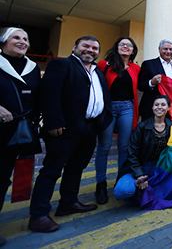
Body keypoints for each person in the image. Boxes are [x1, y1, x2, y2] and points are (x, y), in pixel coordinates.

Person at [28, 36, 113, 233]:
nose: (90, 50)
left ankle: (68, 203)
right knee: (52, 170)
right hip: (64, 128)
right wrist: (54, 121)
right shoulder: (61, 65)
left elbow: (103, 97)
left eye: (95, 48)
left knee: (76, 167)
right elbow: (49, 95)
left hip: (90, 128)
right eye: (86, 46)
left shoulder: (97, 72)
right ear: (75, 47)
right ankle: (39, 215)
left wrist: (103, 120)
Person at [0, 28, 41, 245]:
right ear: (3, 41)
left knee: (2, 177)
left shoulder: (32, 68)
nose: (22, 41)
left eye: (25, 38)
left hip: (18, 132)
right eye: (16, 37)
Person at [95, 37, 140, 205]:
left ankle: (121, 180)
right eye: (122, 44)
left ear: (133, 50)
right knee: (104, 147)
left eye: (129, 45)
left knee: (124, 147)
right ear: (117, 47)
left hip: (127, 109)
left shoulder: (136, 68)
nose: (126, 47)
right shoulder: (103, 65)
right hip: (108, 109)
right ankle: (100, 184)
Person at [114, 95, 172, 205]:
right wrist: (139, 175)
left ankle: (145, 191)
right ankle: (140, 190)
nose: (159, 107)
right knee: (122, 191)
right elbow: (131, 154)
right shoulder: (142, 127)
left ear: (169, 108)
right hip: (139, 167)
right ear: (152, 108)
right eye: (156, 105)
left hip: (160, 169)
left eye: (163, 105)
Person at [137, 39, 172, 120]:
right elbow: (140, 85)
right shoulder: (148, 64)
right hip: (151, 108)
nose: (168, 51)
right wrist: (151, 83)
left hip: (170, 110)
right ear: (159, 49)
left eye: (170, 49)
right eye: (165, 49)